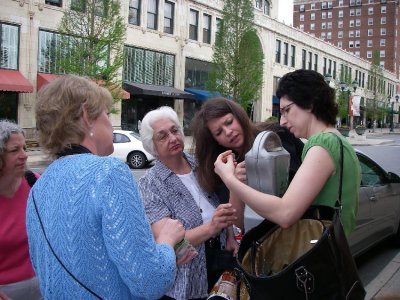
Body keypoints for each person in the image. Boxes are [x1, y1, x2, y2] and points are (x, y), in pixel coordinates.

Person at [26, 75, 188, 299]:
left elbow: (43, 268)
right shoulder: (108, 172)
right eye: (105, 113)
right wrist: (167, 241)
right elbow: (151, 282)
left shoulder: (36, 189)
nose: (110, 122)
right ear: (85, 116)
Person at [214, 69, 360, 237]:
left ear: (310, 103)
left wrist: (229, 178)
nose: (282, 121)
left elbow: (285, 214)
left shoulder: (322, 145)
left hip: (319, 257)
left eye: (287, 110)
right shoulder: (339, 141)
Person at [138, 106, 238, 299]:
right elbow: (170, 244)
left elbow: (221, 205)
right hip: (187, 282)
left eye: (175, 130)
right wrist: (211, 227)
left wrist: (230, 236)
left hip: (222, 263)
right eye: (163, 136)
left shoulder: (201, 164)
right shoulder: (149, 185)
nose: (173, 139)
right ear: (153, 146)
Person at [191, 97, 304, 231]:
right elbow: (237, 225)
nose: (228, 132)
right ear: (215, 141)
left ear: (239, 116)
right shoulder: (223, 168)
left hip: (301, 226)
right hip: (262, 239)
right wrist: (234, 183)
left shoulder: (277, 137)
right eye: (219, 132)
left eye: (229, 122)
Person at [0, 120, 42, 300]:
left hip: (42, 288)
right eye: (14, 150)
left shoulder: (35, 183)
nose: (24, 155)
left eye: (24, 148)